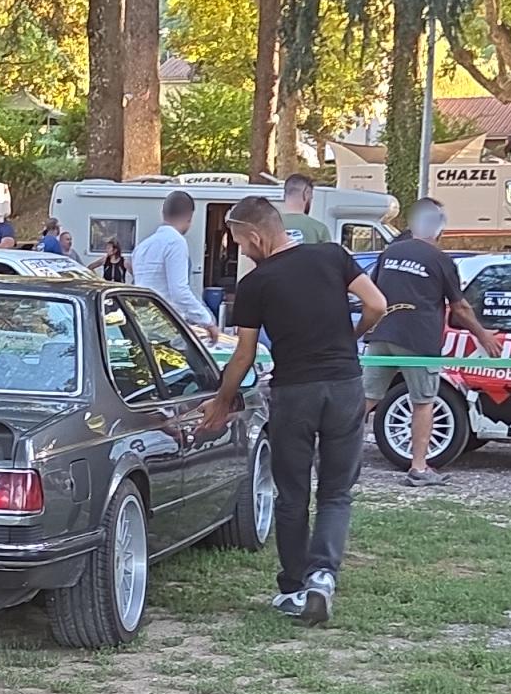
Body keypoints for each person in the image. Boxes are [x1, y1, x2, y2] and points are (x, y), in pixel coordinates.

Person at [200, 197, 387, 626]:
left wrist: (222, 401)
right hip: (344, 386)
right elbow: (376, 304)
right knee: (337, 492)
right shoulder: (332, 255)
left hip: (294, 392)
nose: (242, 252)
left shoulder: (256, 284)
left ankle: (294, 588)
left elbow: (244, 354)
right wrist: (351, 336)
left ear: (255, 235)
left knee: (292, 493)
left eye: (240, 243)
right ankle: (323, 576)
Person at [365, 197, 500, 484]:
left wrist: (363, 329)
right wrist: (484, 335)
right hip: (418, 342)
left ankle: (335, 457)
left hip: (383, 335)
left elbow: (372, 293)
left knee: (365, 400)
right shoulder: (441, 260)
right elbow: (460, 307)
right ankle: (419, 468)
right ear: (439, 228)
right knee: (423, 401)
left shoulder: (390, 252)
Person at [131, 191, 220, 342]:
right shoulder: (176, 242)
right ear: (189, 217)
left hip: (141, 321)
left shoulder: (143, 246)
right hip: (166, 325)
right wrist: (207, 321)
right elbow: (179, 291)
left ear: (163, 213)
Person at [281, 172, 330, 245]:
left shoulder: (268, 226)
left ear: (284, 195)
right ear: (306, 194)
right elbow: (329, 255)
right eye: (311, 197)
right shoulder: (320, 229)